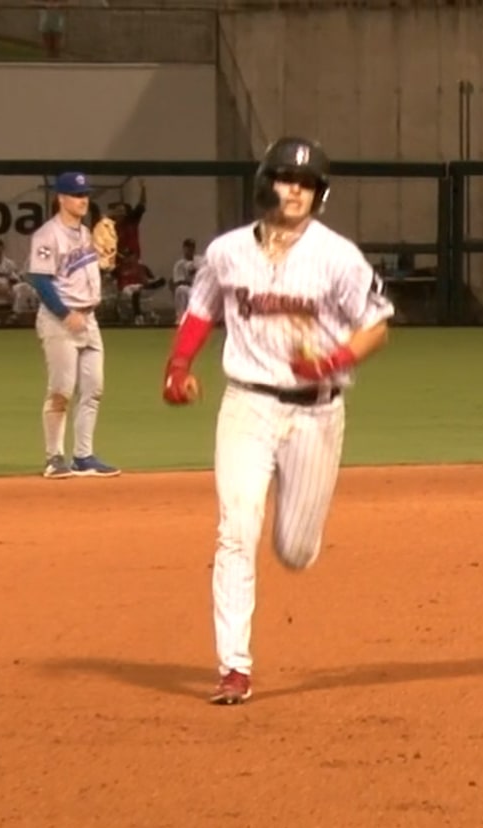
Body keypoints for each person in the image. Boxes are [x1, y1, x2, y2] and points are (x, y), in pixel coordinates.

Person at [160, 136, 394, 706]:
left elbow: (378, 324)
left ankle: (298, 534)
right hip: (247, 403)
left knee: (293, 548)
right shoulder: (227, 251)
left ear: (319, 194)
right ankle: (234, 668)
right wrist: (178, 363)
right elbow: (203, 308)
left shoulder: (338, 256)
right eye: (288, 179)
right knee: (235, 529)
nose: (296, 191)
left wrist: (334, 359)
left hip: (316, 411)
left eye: (308, 183)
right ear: (266, 182)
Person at [26, 171, 120, 480]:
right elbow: (39, 279)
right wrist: (65, 313)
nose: (83, 200)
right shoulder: (46, 235)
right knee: (61, 391)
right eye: (77, 195)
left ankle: (84, 456)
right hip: (60, 321)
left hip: (89, 320)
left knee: (94, 389)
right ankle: (54, 458)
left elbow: (83, 274)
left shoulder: (85, 235)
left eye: (85, 195)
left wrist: (104, 262)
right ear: (61, 198)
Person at [171, 237, 205, 324]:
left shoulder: (200, 260)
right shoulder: (179, 264)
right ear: (184, 248)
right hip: (188, 288)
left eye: (192, 247)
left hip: (201, 287)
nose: (190, 249)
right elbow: (178, 282)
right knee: (181, 289)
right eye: (188, 247)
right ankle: (181, 318)